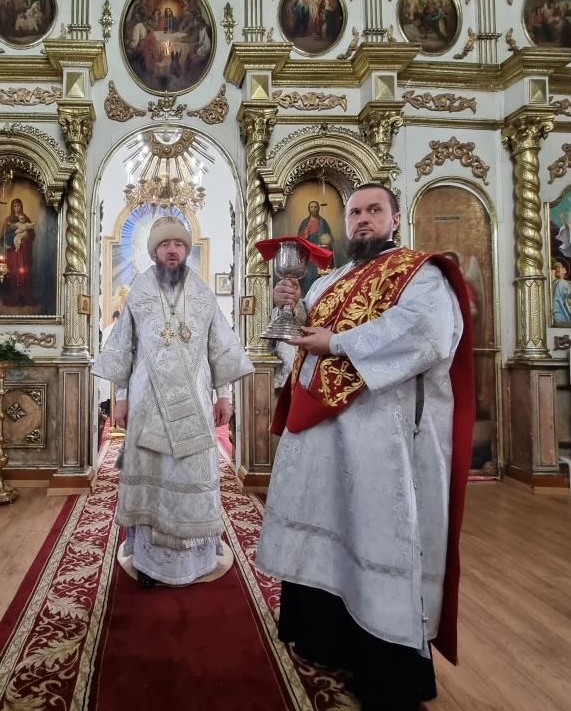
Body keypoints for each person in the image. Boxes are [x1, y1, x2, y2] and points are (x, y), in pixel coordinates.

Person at [256, 183, 475, 711]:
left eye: (374, 210)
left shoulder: (419, 273)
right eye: (354, 212)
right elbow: (299, 350)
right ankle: (323, 636)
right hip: (325, 437)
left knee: (375, 532)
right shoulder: (330, 281)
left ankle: (385, 666)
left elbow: (426, 334)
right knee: (328, 525)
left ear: (395, 218)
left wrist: (336, 343)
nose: (362, 220)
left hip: (381, 436)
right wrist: (290, 310)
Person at [93, 216, 253, 588]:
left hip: (194, 402)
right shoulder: (138, 292)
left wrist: (225, 396)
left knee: (188, 475)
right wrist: (120, 399)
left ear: (186, 251)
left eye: (179, 244)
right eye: (165, 244)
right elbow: (123, 349)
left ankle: (196, 559)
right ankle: (149, 561)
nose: (172, 250)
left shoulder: (202, 293)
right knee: (152, 480)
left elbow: (219, 347)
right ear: (153, 251)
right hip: (147, 402)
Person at [0, 197, 36, 307]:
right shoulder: (8, 220)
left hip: (24, 252)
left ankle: (24, 298)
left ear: (21, 206)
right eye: (15, 206)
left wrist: (26, 236)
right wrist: (10, 239)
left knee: (24, 273)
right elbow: (3, 237)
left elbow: (32, 234)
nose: (17, 208)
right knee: (14, 273)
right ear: (12, 207)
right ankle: (14, 298)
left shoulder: (26, 219)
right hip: (13, 253)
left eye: (18, 205)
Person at [296, 200, 335, 294]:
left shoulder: (323, 222)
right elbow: (299, 240)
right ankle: (307, 295)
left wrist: (326, 240)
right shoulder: (305, 223)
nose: (313, 209)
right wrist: (304, 236)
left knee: (320, 277)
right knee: (308, 276)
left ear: (318, 208)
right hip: (308, 255)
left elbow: (329, 239)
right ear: (309, 209)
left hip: (320, 253)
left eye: (315, 207)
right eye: (311, 207)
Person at [551, 258, 571, 324]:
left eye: (561, 267)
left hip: (570, 307)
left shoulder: (567, 282)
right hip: (562, 313)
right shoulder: (558, 283)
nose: (559, 269)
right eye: (557, 267)